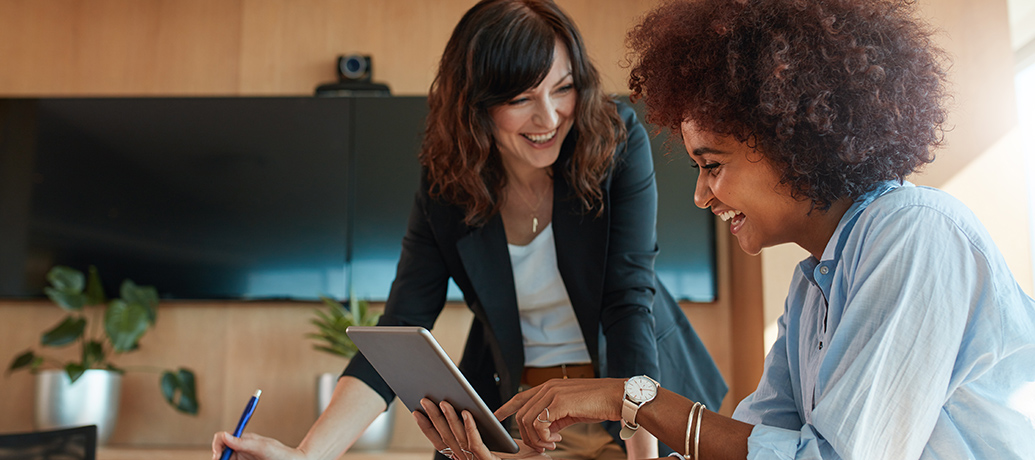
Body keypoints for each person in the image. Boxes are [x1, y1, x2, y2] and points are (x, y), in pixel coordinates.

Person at [414, 0, 1035, 459]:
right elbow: (760, 446)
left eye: (712, 166)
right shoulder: (813, 285)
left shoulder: (913, 235)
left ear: (792, 140)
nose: (701, 193)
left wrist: (628, 397)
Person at [211, 1, 726, 459]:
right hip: (520, 411)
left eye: (563, 87)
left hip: (632, 396)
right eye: (521, 98)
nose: (550, 116)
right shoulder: (448, 183)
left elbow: (626, 301)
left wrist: (644, 454)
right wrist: (307, 454)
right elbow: (401, 325)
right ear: (475, 103)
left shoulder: (615, 141)